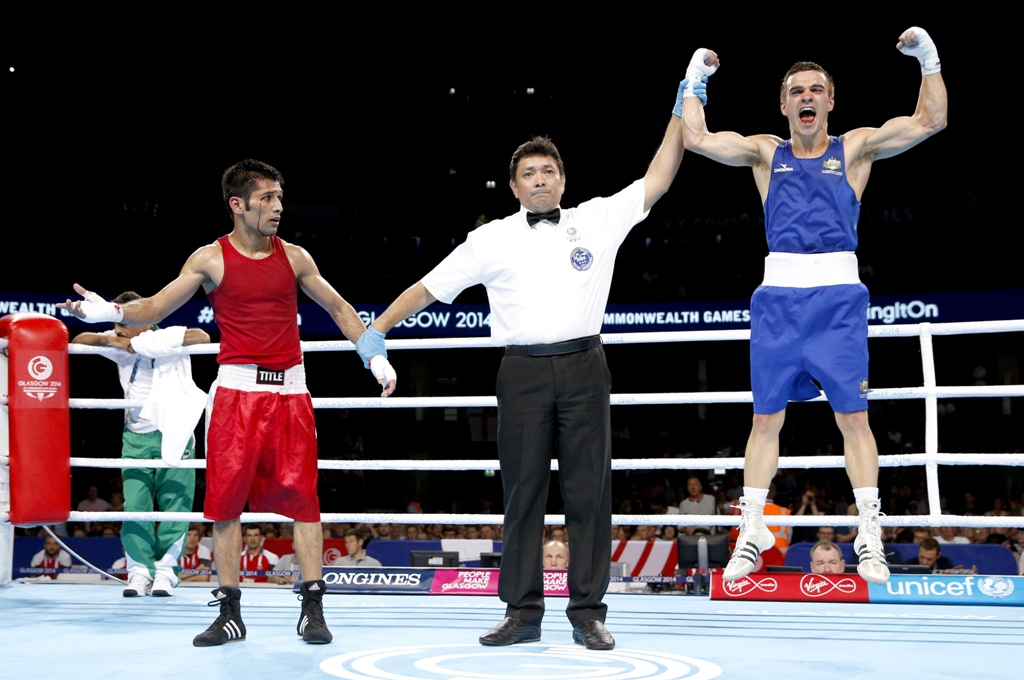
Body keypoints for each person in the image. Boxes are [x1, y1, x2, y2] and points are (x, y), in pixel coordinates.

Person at [353, 74, 706, 651]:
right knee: (522, 494)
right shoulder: (489, 238)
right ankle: (522, 613)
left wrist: (680, 105)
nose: (540, 180)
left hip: (585, 366)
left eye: (548, 172)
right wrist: (377, 330)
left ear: (562, 180)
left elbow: (659, 177)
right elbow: (426, 287)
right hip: (520, 372)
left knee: (589, 492)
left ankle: (588, 611)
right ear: (514, 186)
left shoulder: (595, 217)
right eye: (528, 174)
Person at [60, 159, 396, 646]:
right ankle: (229, 613)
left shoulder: (296, 257)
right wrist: (109, 311)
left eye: (280, 197)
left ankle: (312, 609)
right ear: (237, 205)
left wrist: (372, 354)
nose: (277, 207)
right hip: (236, 394)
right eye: (266, 199)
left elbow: (339, 308)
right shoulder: (208, 259)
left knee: (304, 503)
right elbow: (153, 308)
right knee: (224, 506)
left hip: (290, 392)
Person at [680, 28, 947, 585]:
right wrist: (695, 81)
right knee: (764, 418)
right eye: (796, 90)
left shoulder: (853, 147)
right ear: (783, 104)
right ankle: (751, 529)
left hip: (837, 301)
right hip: (777, 299)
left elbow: (930, 121)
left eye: (816, 89)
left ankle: (869, 533)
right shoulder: (763, 152)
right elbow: (697, 139)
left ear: (830, 101)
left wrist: (928, 59)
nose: (806, 96)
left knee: (853, 416)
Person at [72, 294, 209, 597]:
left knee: (176, 505)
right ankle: (139, 571)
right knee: (135, 506)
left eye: (122, 321)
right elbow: (81, 337)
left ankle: (165, 572)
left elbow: (202, 335)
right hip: (135, 435)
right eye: (115, 321)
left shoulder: (166, 338)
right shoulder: (119, 339)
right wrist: (118, 343)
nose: (116, 327)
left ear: (143, 320)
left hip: (174, 431)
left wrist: (147, 345)